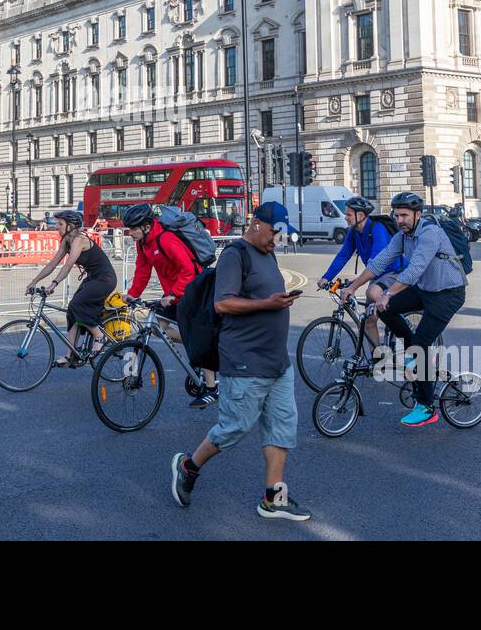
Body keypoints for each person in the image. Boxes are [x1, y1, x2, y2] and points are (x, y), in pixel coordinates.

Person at [170, 202, 306, 520]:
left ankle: (274, 498)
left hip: (277, 362)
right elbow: (222, 304)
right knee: (234, 427)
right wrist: (267, 303)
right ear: (256, 224)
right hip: (245, 360)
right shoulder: (235, 254)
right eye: (274, 232)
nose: (277, 239)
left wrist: (278, 302)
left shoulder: (268, 252)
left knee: (281, 429)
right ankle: (188, 467)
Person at [341, 191, 467, 428]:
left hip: (447, 294)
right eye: (397, 215)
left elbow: (415, 269)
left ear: (418, 214)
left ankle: (427, 407)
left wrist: (388, 293)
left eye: (405, 215)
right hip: (425, 289)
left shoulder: (430, 233)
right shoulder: (402, 236)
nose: (400, 220)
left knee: (420, 345)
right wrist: (353, 286)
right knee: (383, 310)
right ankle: (413, 352)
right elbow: (380, 261)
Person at [123, 203, 218, 408]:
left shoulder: (166, 239)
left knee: (199, 340)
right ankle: (195, 350)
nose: (129, 233)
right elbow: (142, 271)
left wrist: (174, 294)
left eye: (133, 228)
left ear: (147, 226)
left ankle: (211, 388)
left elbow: (188, 269)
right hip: (174, 294)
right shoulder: (144, 244)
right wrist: (132, 295)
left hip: (194, 290)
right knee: (159, 327)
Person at [26, 210, 117, 367]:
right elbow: (52, 264)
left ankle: (99, 336)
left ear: (71, 226)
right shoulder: (66, 241)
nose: (57, 227)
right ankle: (70, 355)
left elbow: (68, 264)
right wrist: (34, 281)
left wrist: (53, 284)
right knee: (72, 312)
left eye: (60, 224)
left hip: (104, 279)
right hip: (92, 278)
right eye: (57, 223)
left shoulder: (79, 240)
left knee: (77, 305)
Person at [315, 196, 404, 357]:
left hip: (394, 272)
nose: (345, 217)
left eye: (348, 214)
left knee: (373, 292)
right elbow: (343, 255)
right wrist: (326, 277)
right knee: (369, 320)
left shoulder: (378, 229)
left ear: (361, 216)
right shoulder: (354, 232)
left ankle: (398, 324)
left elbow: (377, 263)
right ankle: (378, 359)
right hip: (377, 275)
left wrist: (354, 286)